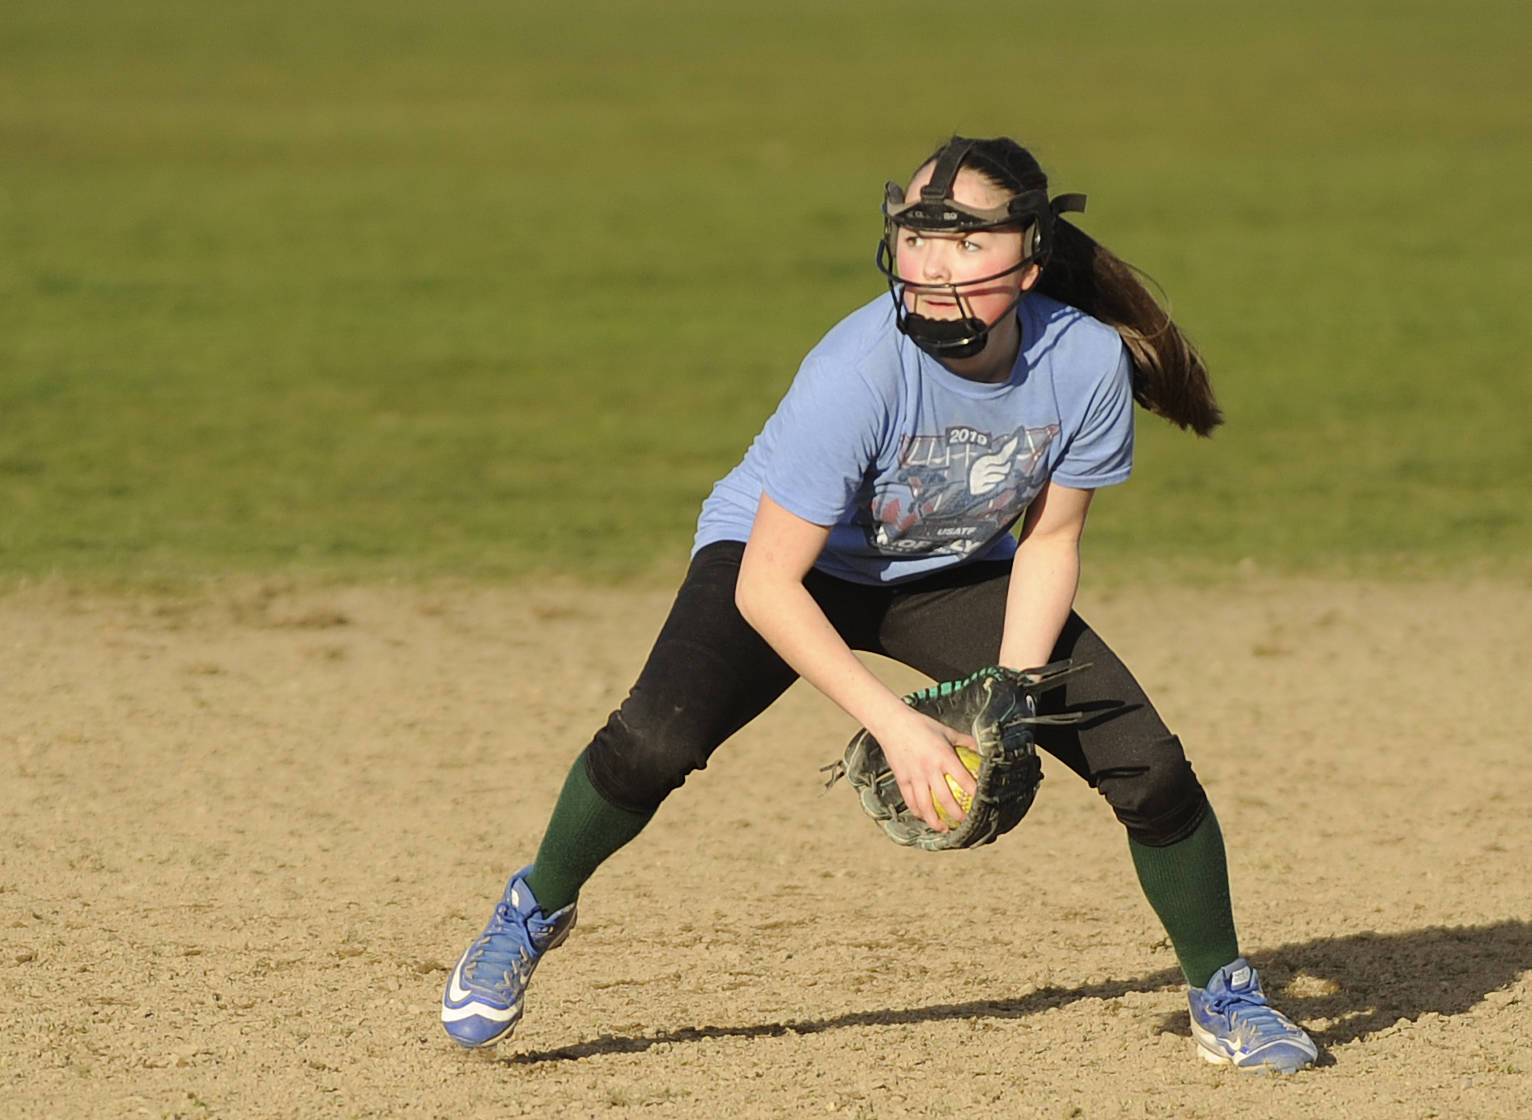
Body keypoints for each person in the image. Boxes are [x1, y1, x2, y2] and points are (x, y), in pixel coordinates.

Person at [439, 135, 1318, 1074]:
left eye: (968, 241)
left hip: (946, 569)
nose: (933, 265)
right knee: (654, 740)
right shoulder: (858, 369)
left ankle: (1223, 993)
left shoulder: (1085, 361)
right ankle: (534, 907)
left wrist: (1013, 694)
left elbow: (1048, 543)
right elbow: (766, 585)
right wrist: (898, 726)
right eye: (918, 235)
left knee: (1147, 766)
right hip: (789, 561)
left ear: (1030, 257)